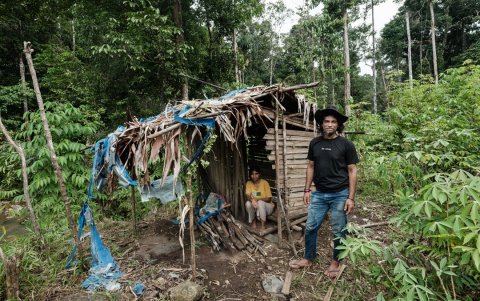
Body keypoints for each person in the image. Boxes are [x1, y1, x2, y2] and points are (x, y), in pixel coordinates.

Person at [289, 106, 359, 278]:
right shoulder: (315, 143)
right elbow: (311, 166)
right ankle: (308, 257)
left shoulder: (346, 145)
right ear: (321, 124)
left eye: (333, 122)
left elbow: (352, 171)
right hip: (319, 194)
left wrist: (350, 198)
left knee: (338, 229)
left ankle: (336, 261)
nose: (329, 124)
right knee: (311, 227)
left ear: (338, 125)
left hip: (340, 194)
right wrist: (306, 189)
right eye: (326, 121)